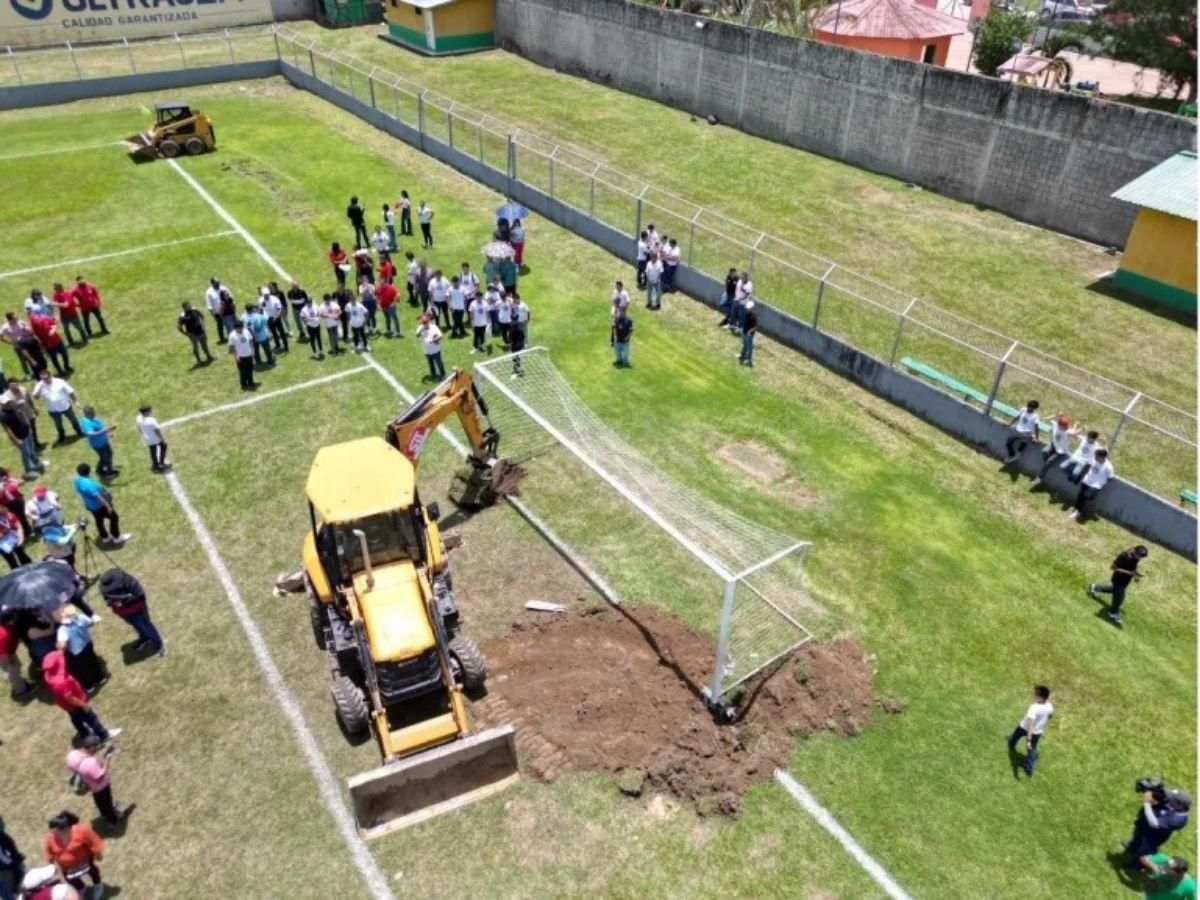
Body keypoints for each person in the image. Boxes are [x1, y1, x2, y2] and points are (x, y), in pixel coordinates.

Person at [43, 652, 119, 742]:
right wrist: (83, 705)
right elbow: (69, 697)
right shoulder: (61, 682)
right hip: (75, 704)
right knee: (91, 718)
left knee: (76, 719)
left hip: (67, 706)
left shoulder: (48, 675)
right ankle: (103, 734)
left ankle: (85, 734)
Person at [98, 568, 163, 656]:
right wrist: (110, 602)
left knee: (146, 625)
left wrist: (124, 602)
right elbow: (107, 598)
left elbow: (140, 596)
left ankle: (158, 643)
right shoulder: (105, 588)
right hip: (124, 613)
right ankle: (145, 638)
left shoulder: (130, 582)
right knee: (136, 625)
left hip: (137, 611)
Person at [1126, 789, 1191, 869]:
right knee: (1137, 838)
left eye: (1173, 799)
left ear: (1180, 805)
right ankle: (1132, 848)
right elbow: (1164, 795)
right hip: (1144, 826)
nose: (1170, 799)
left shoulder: (1178, 820)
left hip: (1153, 837)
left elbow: (1154, 823)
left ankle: (1135, 866)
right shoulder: (1176, 805)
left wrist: (1147, 803)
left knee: (1143, 852)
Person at [43, 812, 104, 895]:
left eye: (57, 833)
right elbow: (49, 854)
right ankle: (81, 888)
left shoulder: (82, 831)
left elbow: (94, 843)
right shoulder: (50, 838)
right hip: (67, 868)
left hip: (86, 861)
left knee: (93, 872)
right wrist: (51, 866)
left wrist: (98, 856)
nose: (54, 836)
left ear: (66, 829)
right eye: (53, 833)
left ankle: (98, 885)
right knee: (72, 880)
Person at [1089, 545, 1148, 627]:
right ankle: (1113, 613)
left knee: (1115, 591)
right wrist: (1130, 573)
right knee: (1120, 597)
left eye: (1140, 557)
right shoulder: (1124, 556)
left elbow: (1132, 567)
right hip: (1118, 579)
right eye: (1138, 556)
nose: (1139, 558)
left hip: (1125, 581)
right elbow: (1113, 567)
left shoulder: (1135, 557)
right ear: (1134, 551)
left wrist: (1135, 575)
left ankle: (1095, 587)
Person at [73, 464, 128, 547]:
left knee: (99, 520)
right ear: (88, 471)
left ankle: (105, 537)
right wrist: (108, 506)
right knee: (114, 517)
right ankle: (117, 537)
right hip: (100, 506)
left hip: (90, 506)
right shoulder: (89, 484)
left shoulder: (77, 480)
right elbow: (98, 497)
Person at [55, 604, 105, 693]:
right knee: (92, 661)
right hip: (87, 644)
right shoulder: (81, 617)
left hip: (76, 652)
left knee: (81, 670)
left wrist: (58, 646)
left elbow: (63, 646)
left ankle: (88, 686)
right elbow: (90, 623)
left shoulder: (62, 630)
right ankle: (100, 678)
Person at [1006, 685, 1052, 777]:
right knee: (1032, 749)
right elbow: (1050, 716)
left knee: (1016, 736)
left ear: (1041, 697)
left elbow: (1031, 724)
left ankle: (1011, 743)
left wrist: (1028, 740)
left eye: (1036, 694)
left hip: (1025, 728)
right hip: (1038, 732)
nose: (1034, 695)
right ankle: (1029, 768)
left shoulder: (1034, 707)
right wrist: (1043, 724)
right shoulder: (1049, 706)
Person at [0, 398, 44, 481]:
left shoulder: (14, 408)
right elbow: (7, 429)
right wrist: (16, 440)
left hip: (27, 432)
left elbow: (23, 416)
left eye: (9, 401)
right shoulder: (2, 415)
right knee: (25, 454)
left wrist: (29, 427)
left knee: (31, 449)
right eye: (6, 402)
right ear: (1, 404)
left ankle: (37, 463)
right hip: (19, 437)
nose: (8, 403)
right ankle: (28, 471)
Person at [1071, 447, 1114, 520]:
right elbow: (1087, 466)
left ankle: (1080, 510)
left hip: (1096, 485)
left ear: (1101, 457)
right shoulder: (1093, 459)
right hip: (1087, 480)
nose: (1095, 457)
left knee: (1087, 496)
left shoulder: (1108, 467)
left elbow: (1111, 477)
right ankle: (1077, 510)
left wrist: (1101, 479)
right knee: (1080, 496)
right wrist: (1080, 477)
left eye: (1096, 456)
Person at [1032, 415, 1074, 486]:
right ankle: (1047, 465)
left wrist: (1075, 428)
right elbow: (1047, 418)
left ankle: (1039, 478)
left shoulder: (1067, 431)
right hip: (1054, 445)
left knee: (1049, 462)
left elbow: (1073, 433)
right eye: (1062, 426)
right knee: (1044, 452)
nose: (1063, 428)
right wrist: (1055, 415)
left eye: (1065, 426)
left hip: (1061, 450)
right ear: (1059, 424)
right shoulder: (1055, 425)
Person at [0, 613, 34, 698]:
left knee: (16, 666)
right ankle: (21, 692)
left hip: (7, 651)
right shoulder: (4, 635)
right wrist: (9, 661)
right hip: (3, 655)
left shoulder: (6, 627)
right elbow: (4, 653)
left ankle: (18, 681)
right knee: (13, 670)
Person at [28, 311, 69, 377]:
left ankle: (66, 366)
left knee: (65, 354)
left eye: (37, 319)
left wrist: (53, 329)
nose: (37, 321)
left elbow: (55, 323)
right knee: (54, 358)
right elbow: (31, 333)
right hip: (48, 345)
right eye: (34, 320)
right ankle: (60, 371)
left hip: (57, 340)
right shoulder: (33, 327)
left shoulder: (45, 319)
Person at [79, 407, 116, 478]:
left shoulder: (94, 418)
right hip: (98, 444)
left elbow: (102, 426)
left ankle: (101, 469)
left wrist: (108, 432)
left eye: (93, 413)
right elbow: (91, 434)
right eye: (91, 414)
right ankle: (108, 472)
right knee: (105, 457)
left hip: (104, 441)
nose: (93, 415)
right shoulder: (86, 422)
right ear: (86, 414)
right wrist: (105, 431)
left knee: (109, 454)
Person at [50, 283, 86, 348]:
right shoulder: (55, 295)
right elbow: (53, 303)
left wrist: (56, 303)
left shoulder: (68, 294)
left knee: (79, 327)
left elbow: (66, 305)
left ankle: (85, 339)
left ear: (60, 288)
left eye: (56, 288)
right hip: (64, 316)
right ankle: (71, 342)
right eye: (54, 288)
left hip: (72, 315)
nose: (54, 290)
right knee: (66, 330)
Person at [176, 301, 213, 366]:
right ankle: (199, 360)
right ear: (184, 308)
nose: (190, 307)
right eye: (188, 306)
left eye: (190, 305)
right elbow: (179, 326)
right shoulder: (183, 316)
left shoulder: (195, 310)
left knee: (204, 345)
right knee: (195, 347)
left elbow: (202, 316)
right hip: (192, 334)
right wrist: (185, 333)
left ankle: (209, 356)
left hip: (201, 331)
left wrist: (203, 325)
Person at [0, 314, 33, 379]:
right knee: (23, 360)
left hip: (26, 342)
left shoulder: (20, 322)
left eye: (16, 318)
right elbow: (0, 337)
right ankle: (27, 374)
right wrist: (9, 342)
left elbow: (28, 328)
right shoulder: (5, 327)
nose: (17, 319)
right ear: (10, 320)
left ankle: (33, 371)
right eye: (15, 318)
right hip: (18, 345)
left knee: (31, 356)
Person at [136, 406, 168, 473]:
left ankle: (155, 466)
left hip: (147, 438)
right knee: (164, 446)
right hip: (155, 438)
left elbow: (139, 427)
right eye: (149, 411)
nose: (151, 412)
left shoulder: (138, 419)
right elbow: (157, 430)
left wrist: (142, 435)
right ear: (146, 412)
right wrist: (162, 439)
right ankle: (161, 463)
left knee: (153, 451)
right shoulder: (152, 420)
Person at [0, 470, 31, 537]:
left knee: (22, 516)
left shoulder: (8, 480)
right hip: (7, 506)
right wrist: (1, 490)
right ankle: (20, 534)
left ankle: (28, 530)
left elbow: (22, 482)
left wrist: (17, 482)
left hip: (18, 501)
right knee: (15, 519)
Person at [0, 817, 25, 900]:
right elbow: (3, 858)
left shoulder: (4, 836)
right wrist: (13, 861)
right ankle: (16, 887)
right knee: (16, 868)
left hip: (5, 857)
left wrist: (16, 855)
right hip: (3, 864)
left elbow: (11, 847)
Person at [244, 303, 274, 369]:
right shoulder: (259, 316)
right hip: (262, 336)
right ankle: (270, 362)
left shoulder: (243, 317)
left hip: (252, 337)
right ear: (253, 309)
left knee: (256, 350)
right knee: (267, 350)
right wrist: (264, 310)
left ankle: (258, 362)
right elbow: (266, 319)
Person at [416, 314, 445, 381]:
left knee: (439, 363)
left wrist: (433, 340)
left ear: (428, 321)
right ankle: (433, 374)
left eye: (425, 322)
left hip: (435, 350)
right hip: (426, 350)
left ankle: (443, 375)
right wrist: (421, 329)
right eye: (423, 322)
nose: (424, 323)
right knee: (430, 363)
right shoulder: (420, 327)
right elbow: (417, 335)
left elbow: (441, 336)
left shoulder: (434, 327)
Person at [263, 289, 288, 355]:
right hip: (268, 318)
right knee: (273, 333)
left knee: (281, 332)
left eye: (267, 295)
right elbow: (262, 309)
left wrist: (276, 317)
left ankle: (286, 347)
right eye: (265, 295)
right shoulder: (261, 300)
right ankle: (278, 344)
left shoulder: (275, 299)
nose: (266, 296)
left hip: (276, 318)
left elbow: (280, 309)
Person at [204, 277, 226, 343]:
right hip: (218, 313)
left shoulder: (223, 288)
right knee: (220, 326)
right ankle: (222, 338)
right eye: (216, 283)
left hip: (227, 310)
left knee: (229, 324)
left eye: (219, 282)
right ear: (212, 283)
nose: (218, 284)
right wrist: (213, 315)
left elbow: (230, 296)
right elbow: (209, 305)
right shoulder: (209, 292)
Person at [739, 300, 758, 367]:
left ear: (752, 308)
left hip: (749, 335)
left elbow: (755, 327)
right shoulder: (746, 314)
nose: (747, 309)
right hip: (744, 333)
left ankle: (750, 361)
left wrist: (749, 332)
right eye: (747, 308)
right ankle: (742, 356)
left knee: (750, 348)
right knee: (744, 345)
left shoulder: (754, 316)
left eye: (748, 308)